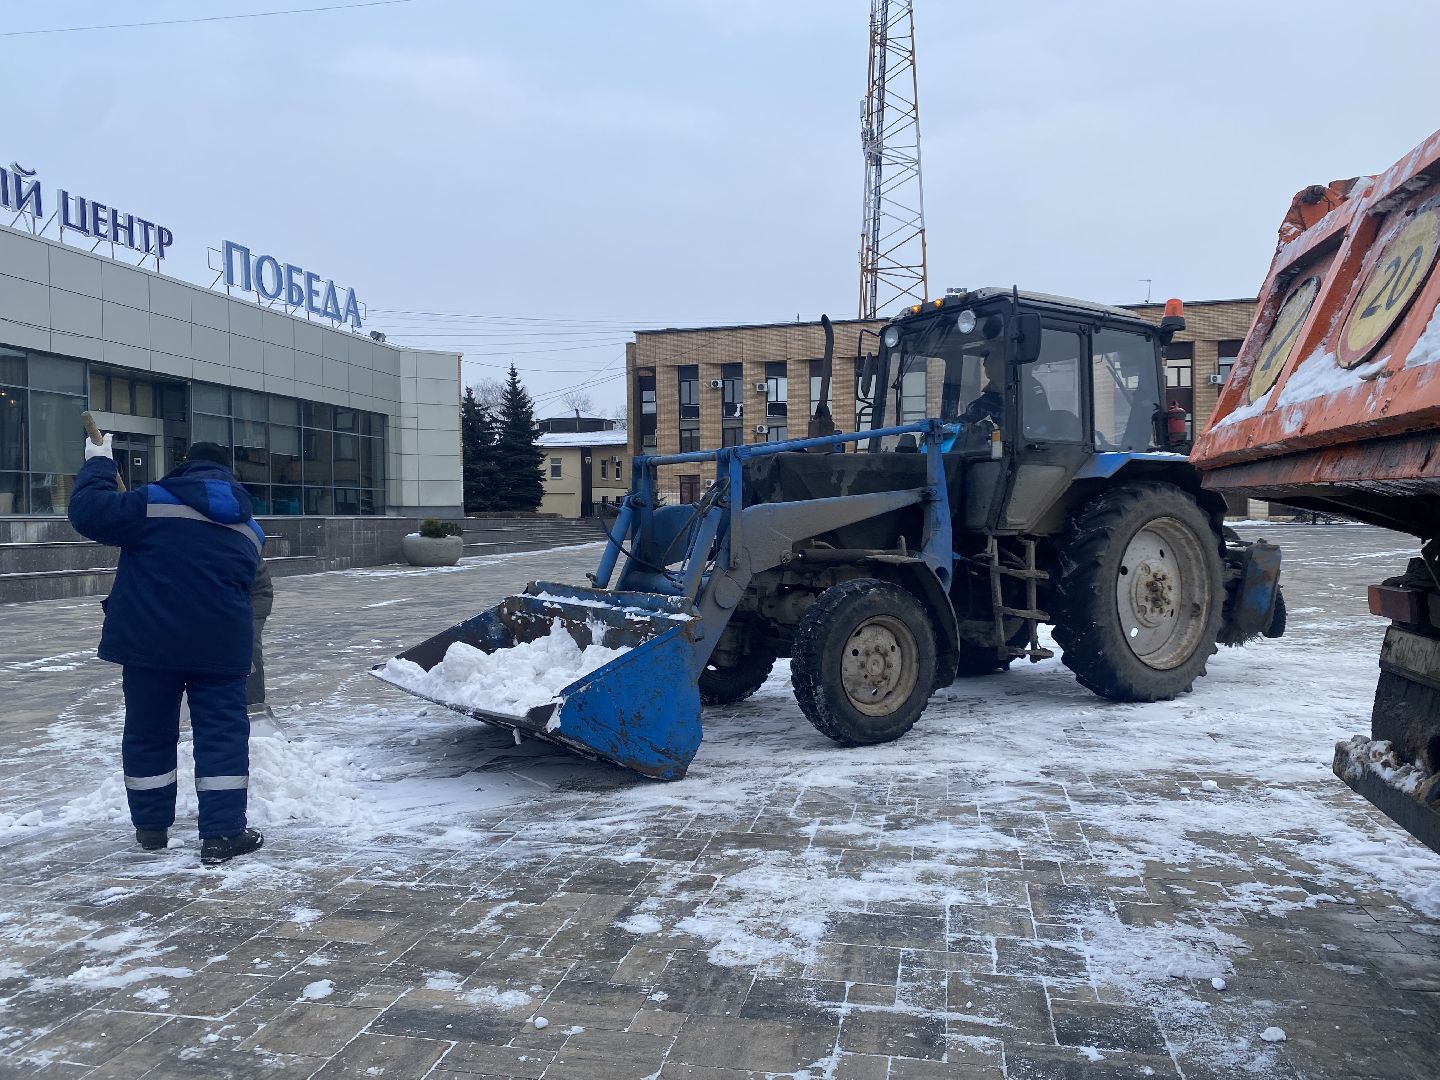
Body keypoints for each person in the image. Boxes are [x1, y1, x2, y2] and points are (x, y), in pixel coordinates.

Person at [68, 437, 266, 866]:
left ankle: (152, 830)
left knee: (149, 732)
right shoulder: (250, 528)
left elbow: (88, 514)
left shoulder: (150, 503)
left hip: (149, 644)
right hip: (221, 646)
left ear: (184, 466)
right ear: (230, 474)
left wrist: (99, 464)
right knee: (223, 737)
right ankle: (223, 835)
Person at [248, 560, 274, 721]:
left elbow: (261, 588)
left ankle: (254, 708)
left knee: (250, 651)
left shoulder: (241, 540)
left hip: (251, 606)